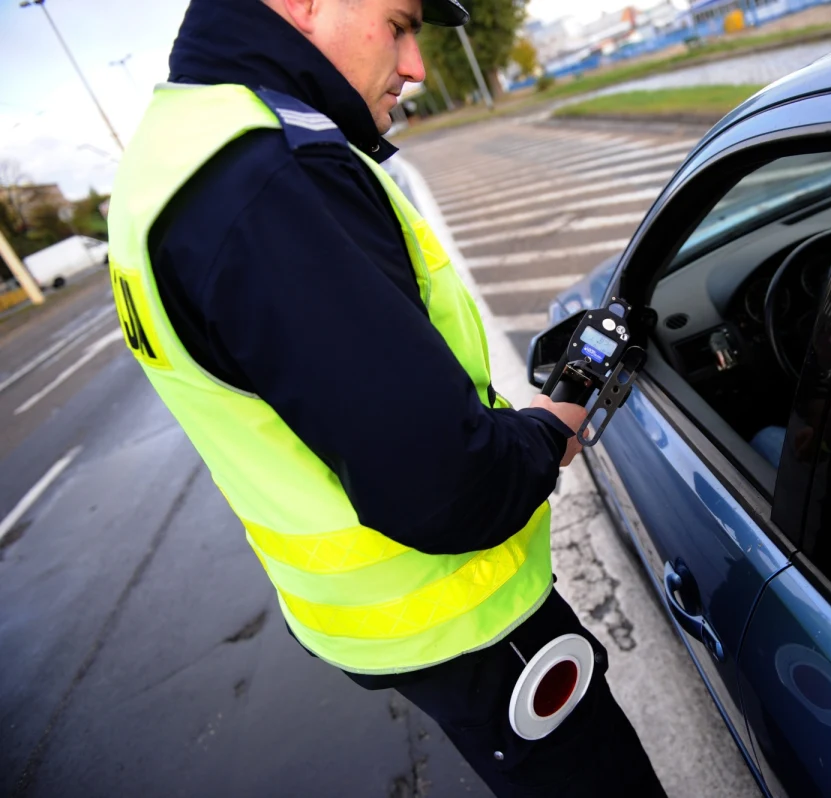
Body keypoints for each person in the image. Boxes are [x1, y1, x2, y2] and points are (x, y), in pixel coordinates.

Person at [105, 1, 665, 795]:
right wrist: (552, 424)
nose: (416, 66)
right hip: (467, 622)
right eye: (399, 24)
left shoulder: (170, 154)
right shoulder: (271, 174)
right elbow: (447, 486)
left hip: (372, 621)